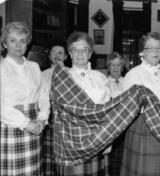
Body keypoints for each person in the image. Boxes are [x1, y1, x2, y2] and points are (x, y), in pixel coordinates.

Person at [55, 31, 111, 176]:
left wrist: (108, 141)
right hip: (70, 143)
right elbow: (57, 114)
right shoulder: (62, 77)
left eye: (84, 50)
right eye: (75, 50)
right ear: (70, 54)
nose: (80, 54)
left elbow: (109, 113)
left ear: (90, 53)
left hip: (97, 140)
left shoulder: (101, 78)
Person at [120, 32, 160, 176]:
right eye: (150, 48)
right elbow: (124, 109)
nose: (156, 52)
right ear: (142, 52)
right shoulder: (134, 74)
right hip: (143, 127)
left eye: (159, 48)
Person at [0, 21, 50, 175]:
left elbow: (43, 95)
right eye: (12, 40)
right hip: (10, 126)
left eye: (22, 41)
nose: (18, 45)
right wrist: (26, 123)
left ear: (27, 44)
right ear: (4, 44)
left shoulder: (34, 67)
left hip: (35, 127)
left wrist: (42, 118)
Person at [42, 41, 67, 175]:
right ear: (50, 56)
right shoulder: (42, 75)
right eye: (54, 53)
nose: (57, 56)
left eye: (60, 53)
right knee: (49, 159)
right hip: (49, 122)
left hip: (66, 122)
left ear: (66, 57)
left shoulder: (71, 74)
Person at [106, 52, 126, 176]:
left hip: (125, 125)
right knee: (109, 159)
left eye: (118, 65)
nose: (115, 68)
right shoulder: (103, 82)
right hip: (109, 125)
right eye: (112, 65)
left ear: (122, 67)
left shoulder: (129, 82)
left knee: (122, 158)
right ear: (108, 67)